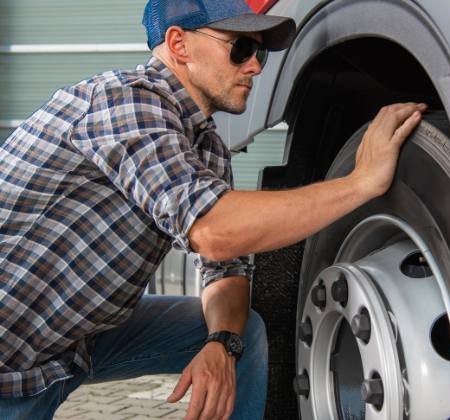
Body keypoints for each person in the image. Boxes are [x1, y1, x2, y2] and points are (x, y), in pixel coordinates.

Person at [0, 0, 426, 419]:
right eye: (240, 47)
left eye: (258, 51)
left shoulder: (207, 150)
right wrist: (359, 184)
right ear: (179, 45)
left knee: (246, 333)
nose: (256, 66)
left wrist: (221, 343)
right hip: (9, 359)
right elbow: (214, 231)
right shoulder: (124, 102)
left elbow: (224, 266)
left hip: (68, 346)